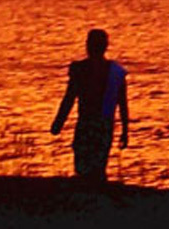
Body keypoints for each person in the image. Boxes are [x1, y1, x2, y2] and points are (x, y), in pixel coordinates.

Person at [51, 27, 130, 182]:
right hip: (102, 125)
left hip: (90, 124)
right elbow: (122, 104)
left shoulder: (83, 70)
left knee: (85, 168)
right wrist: (125, 131)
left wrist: (59, 122)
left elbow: (69, 98)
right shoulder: (113, 71)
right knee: (96, 167)